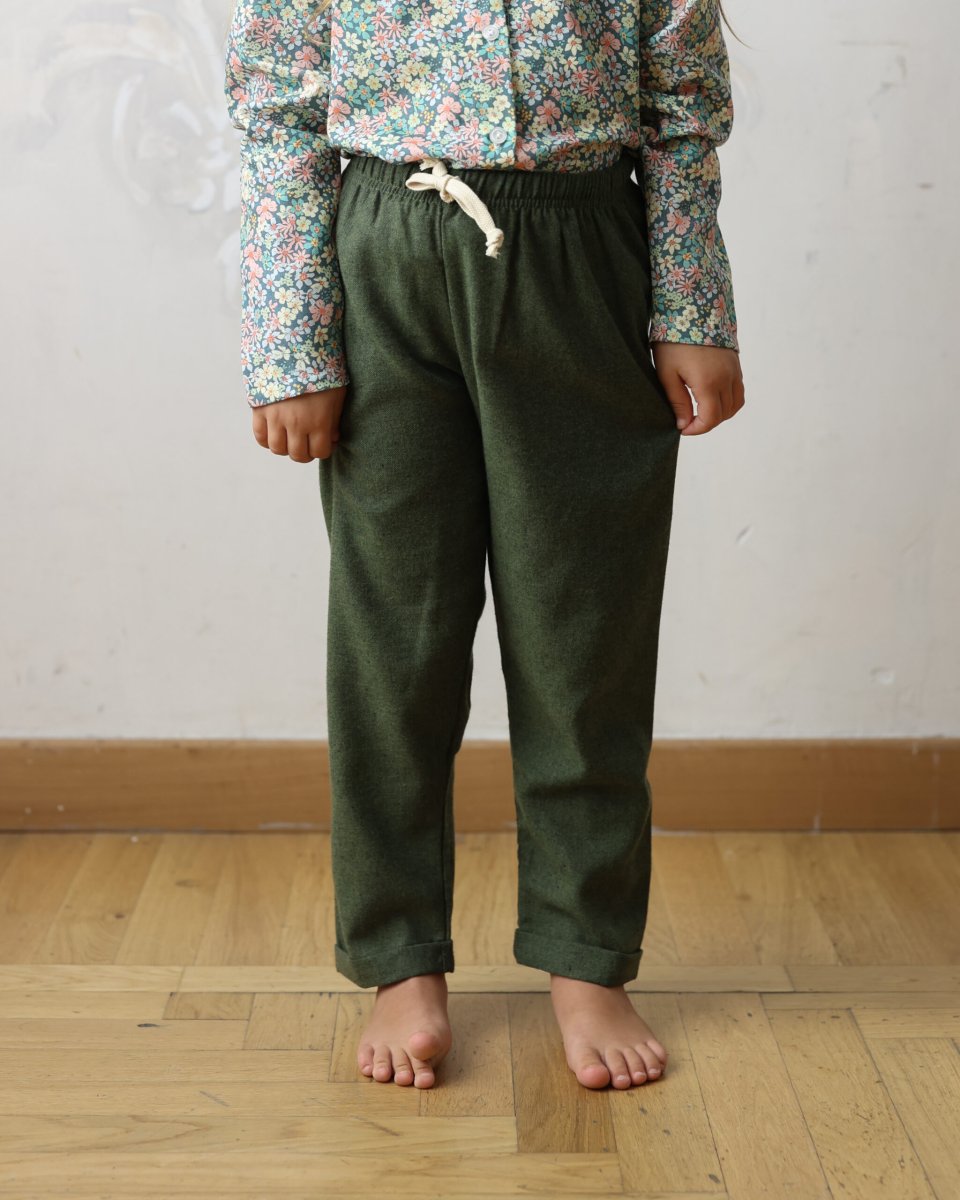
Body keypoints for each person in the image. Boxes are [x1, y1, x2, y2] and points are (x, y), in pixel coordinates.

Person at [223, 0, 746, 1092]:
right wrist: (291, 342)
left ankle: (586, 951)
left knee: (583, 633)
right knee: (395, 640)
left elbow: (683, 111)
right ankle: (398, 955)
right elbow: (279, 113)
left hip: (580, 260)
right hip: (382, 265)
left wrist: (693, 308)